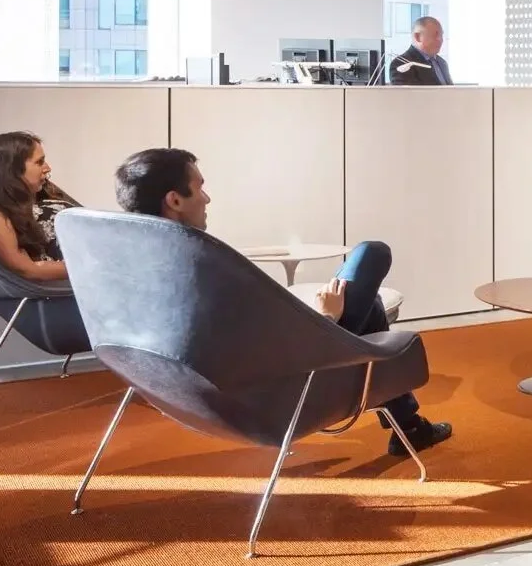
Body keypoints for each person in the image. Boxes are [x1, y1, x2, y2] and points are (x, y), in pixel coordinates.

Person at [113, 148, 453, 456]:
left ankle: (410, 426)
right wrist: (326, 318)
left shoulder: (137, 270)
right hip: (289, 387)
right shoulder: (203, 264)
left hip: (191, 397)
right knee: (372, 254)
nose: (207, 197)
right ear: (174, 200)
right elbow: (266, 351)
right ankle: (410, 425)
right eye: (200, 187)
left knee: (370, 305)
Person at [0, 131, 80, 282]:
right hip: (82, 277)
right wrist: (92, 268)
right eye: (39, 162)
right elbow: (27, 270)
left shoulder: (40, 192)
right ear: (12, 170)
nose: (47, 168)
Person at [389, 16, 453, 85]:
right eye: (435, 35)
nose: (440, 39)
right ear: (418, 37)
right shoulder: (402, 64)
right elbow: (407, 92)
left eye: (441, 35)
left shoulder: (442, 63)